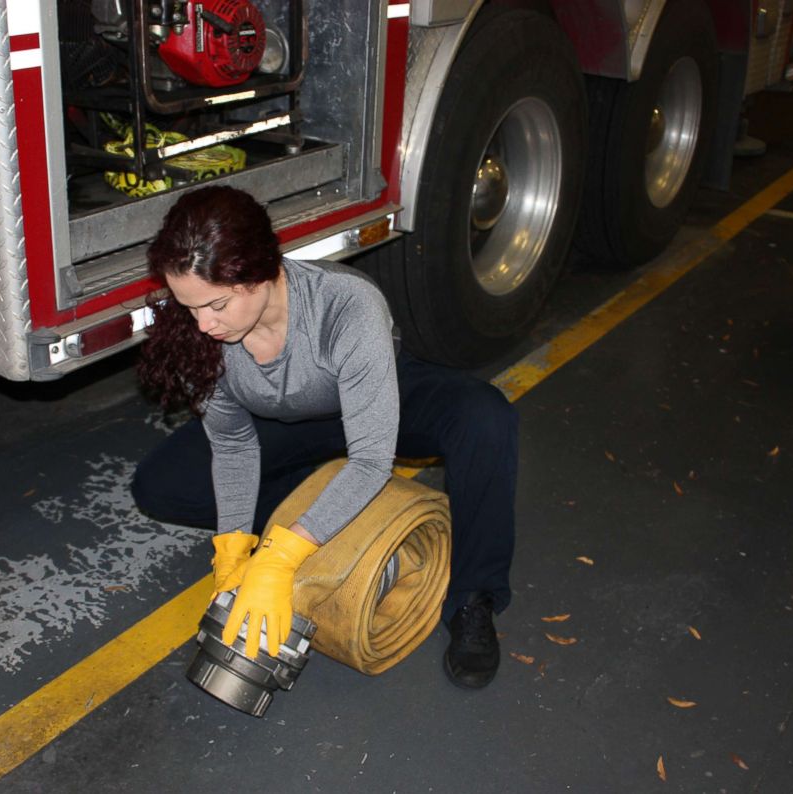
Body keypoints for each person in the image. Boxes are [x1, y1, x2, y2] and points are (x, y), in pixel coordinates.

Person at [132, 185, 518, 689]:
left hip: (370, 397)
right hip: (287, 423)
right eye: (190, 307)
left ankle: (473, 600)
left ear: (261, 271)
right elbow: (232, 445)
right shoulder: (200, 335)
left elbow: (373, 459)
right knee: (160, 486)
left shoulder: (345, 306)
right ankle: (322, 496)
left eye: (218, 305)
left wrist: (281, 556)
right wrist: (233, 552)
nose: (203, 324)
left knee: (485, 417)